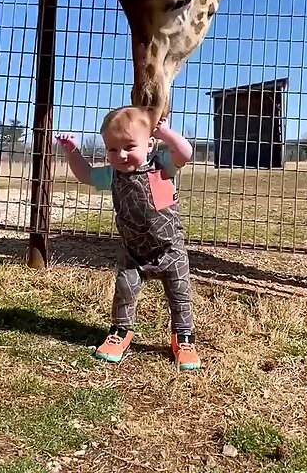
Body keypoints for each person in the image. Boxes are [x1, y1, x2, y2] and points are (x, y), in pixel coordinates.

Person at [54, 106, 200, 370]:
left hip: (170, 251)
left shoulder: (161, 166)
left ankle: (183, 338)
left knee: (180, 296)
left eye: (129, 146)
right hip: (133, 252)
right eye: (111, 149)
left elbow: (185, 153)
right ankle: (121, 332)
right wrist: (72, 151)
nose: (120, 155)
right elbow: (85, 175)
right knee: (124, 292)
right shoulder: (113, 175)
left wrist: (166, 132)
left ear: (150, 143)